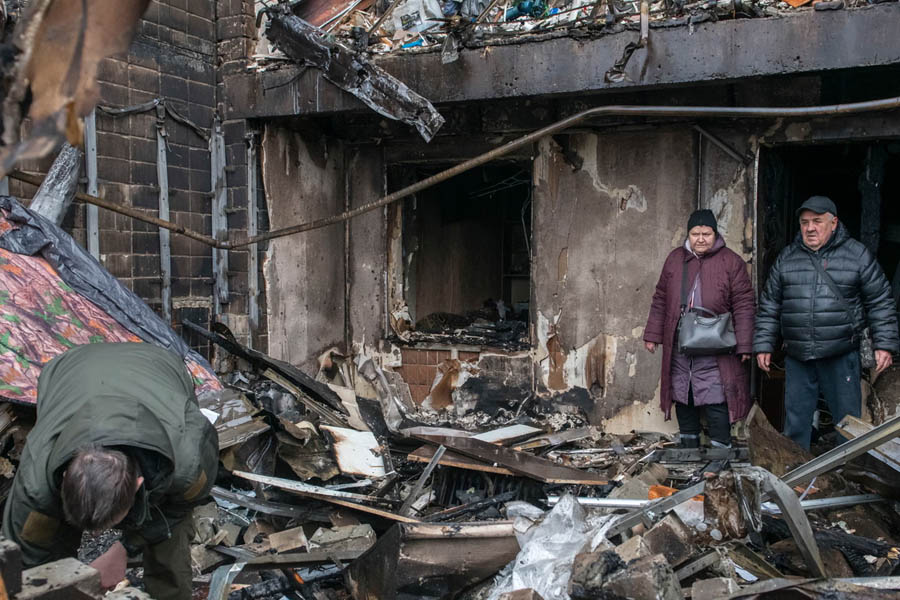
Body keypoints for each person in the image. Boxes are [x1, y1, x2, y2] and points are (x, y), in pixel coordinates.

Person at [1, 343, 219, 600]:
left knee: (169, 542)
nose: (95, 536)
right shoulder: (37, 481)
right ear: (63, 479)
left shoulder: (187, 463)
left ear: (138, 484)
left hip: (158, 366)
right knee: (48, 549)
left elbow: (177, 509)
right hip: (69, 370)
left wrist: (124, 549)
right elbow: (26, 557)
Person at [754, 196, 899, 449]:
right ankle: (796, 477)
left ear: (834, 223)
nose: (810, 228)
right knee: (796, 422)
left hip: (840, 353)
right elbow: (770, 305)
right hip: (798, 354)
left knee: (847, 422)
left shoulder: (857, 255)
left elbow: (881, 301)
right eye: (804, 222)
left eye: (817, 221)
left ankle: (850, 474)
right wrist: (764, 345)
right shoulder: (787, 258)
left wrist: (884, 345)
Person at [644, 209, 756, 447]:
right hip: (681, 342)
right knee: (683, 395)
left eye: (707, 233)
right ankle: (689, 451)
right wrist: (653, 334)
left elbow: (744, 304)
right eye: (696, 233)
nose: (701, 238)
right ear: (689, 234)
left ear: (715, 234)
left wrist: (745, 344)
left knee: (716, 398)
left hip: (716, 345)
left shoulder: (731, 261)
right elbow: (661, 298)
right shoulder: (675, 259)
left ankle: (720, 452)